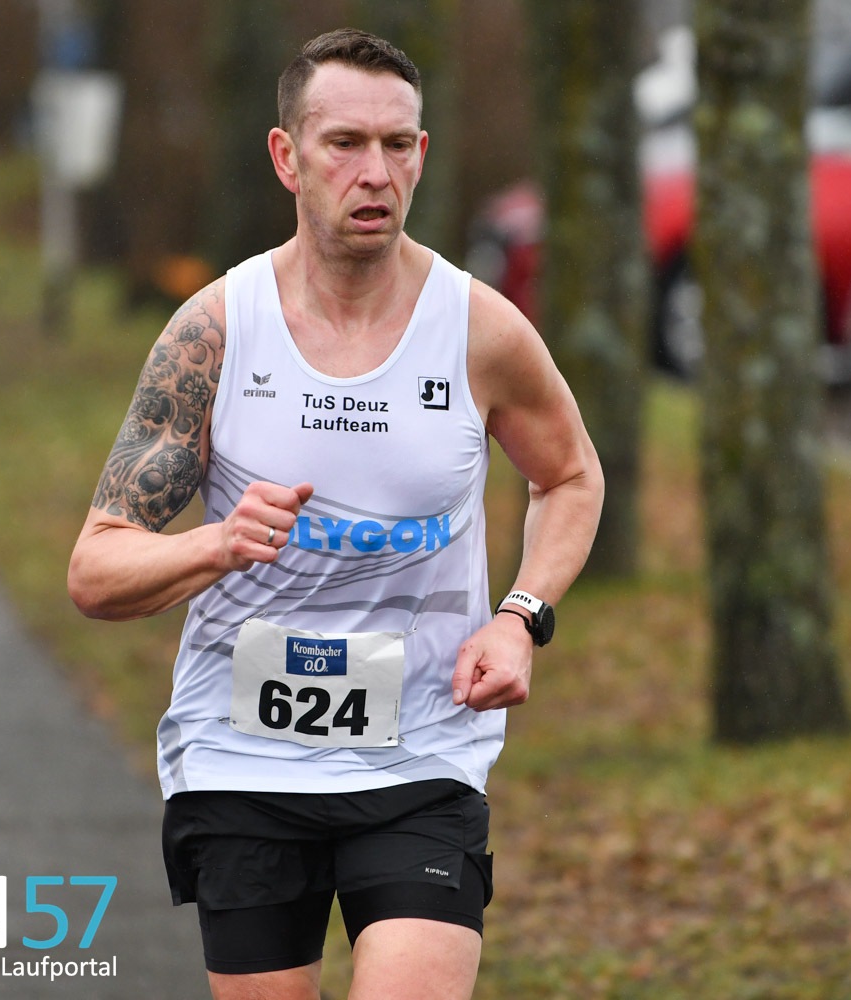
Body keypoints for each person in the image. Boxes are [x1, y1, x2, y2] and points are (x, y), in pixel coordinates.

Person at [68, 28, 603, 1000]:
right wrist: (217, 544)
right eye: (345, 144)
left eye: (397, 145)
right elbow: (96, 572)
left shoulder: (478, 329)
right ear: (288, 156)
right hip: (242, 759)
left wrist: (521, 616)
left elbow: (569, 476)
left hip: (423, 754)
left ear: (422, 155)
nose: (374, 173)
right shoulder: (216, 332)